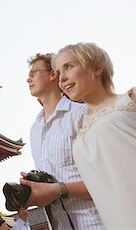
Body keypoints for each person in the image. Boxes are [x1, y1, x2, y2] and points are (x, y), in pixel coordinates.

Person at [25, 42, 136, 229]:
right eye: (59, 73)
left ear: (96, 68)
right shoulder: (79, 139)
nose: (62, 79)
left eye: (68, 67)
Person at [23, 53, 104, 229]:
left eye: (34, 72)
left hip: (95, 222)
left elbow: (108, 178)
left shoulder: (81, 114)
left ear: (53, 75)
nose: (28, 78)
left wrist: (57, 190)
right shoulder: (35, 129)